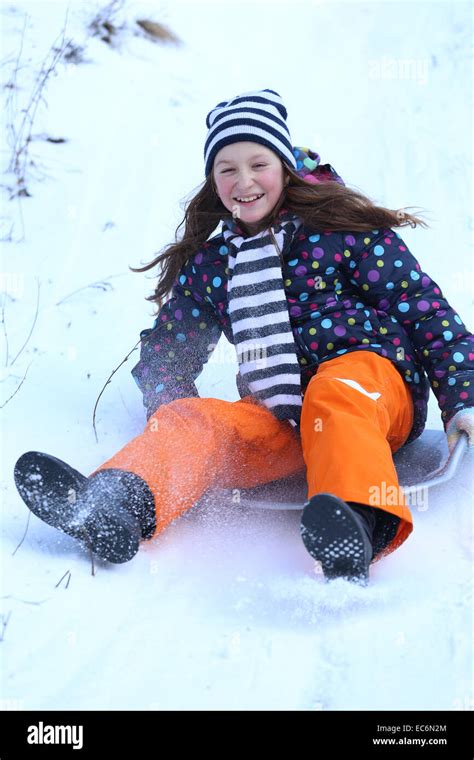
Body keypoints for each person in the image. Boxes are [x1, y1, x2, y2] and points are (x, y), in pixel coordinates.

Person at [14, 89, 474, 584]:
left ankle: (358, 524)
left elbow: (426, 314)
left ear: (286, 166)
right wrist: (174, 418)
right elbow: (169, 350)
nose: (244, 181)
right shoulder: (215, 266)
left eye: (259, 163)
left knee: (335, 392)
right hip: (281, 415)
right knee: (202, 421)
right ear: (214, 181)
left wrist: (463, 396)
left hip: (372, 392)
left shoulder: (344, 232)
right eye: (227, 169)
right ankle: (116, 505)